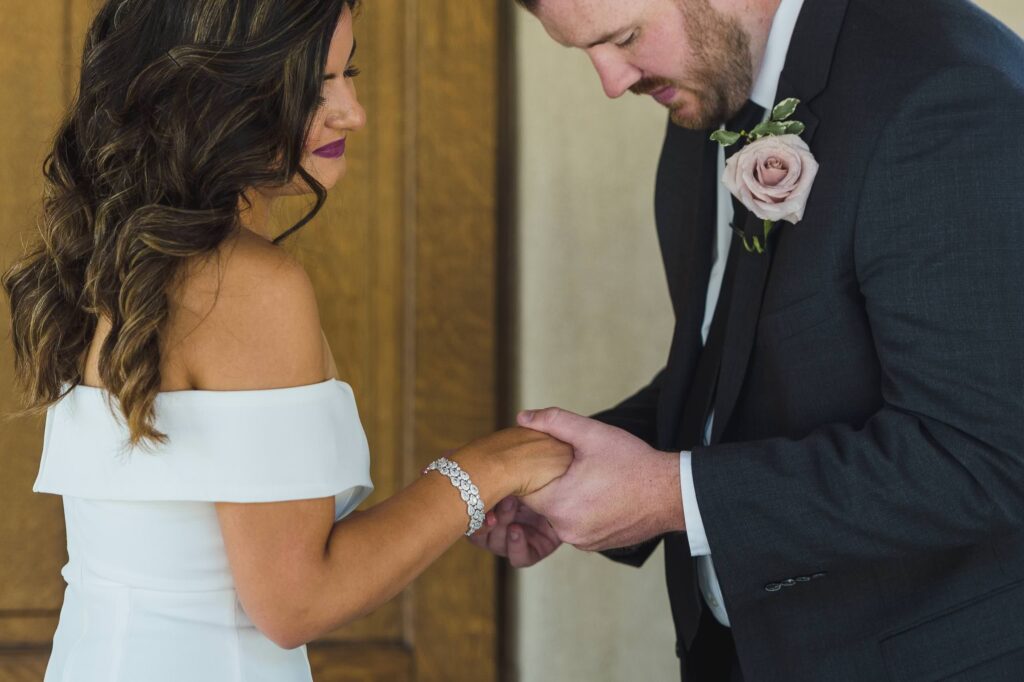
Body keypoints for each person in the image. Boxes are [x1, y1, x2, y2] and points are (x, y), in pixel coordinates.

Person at [1, 2, 571, 680]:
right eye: (312, 85)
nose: (351, 111)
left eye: (346, 73)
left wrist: (459, 503)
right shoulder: (241, 282)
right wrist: (494, 467)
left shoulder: (117, 260)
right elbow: (295, 601)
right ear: (215, 89)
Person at [472, 0, 1024, 679]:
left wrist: (667, 496)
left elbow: (981, 456)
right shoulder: (712, 83)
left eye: (624, 38)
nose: (612, 82)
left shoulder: (943, 92)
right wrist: (573, 468)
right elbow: (749, 361)